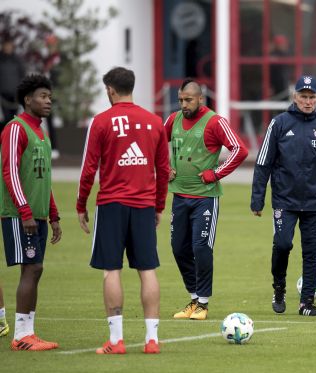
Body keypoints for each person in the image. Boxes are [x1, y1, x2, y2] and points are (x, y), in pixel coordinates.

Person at [77, 67, 170, 354]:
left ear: (110, 90)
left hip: (111, 204)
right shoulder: (154, 122)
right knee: (147, 270)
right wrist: (159, 206)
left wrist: (80, 204)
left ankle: (116, 341)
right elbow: (164, 170)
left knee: (111, 270)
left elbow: (89, 168)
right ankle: (151, 339)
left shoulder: (101, 121)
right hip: (143, 205)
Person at [251, 75, 316, 316]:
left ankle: (307, 303)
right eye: (303, 96)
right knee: (283, 244)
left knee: (312, 253)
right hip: (285, 200)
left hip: (315, 202)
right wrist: (258, 198)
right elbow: (263, 163)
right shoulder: (279, 123)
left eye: (312, 97)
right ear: (294, 97)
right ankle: (279, 287)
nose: (307, 101)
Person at [165, 78, 248, 320]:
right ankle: (193, 298)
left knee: (201, 247)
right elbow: (157, 144)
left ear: (201, 99)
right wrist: (164, 167)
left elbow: (239, 150)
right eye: (180, 99)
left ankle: (203, 302)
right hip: (179, 195)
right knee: (178, 248)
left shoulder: (215, 122)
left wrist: (216, 173)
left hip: (205, 198)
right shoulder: (173, 120)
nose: (183, 104)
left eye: (188, 99)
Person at [0, 74, 61, 350]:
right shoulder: (16, 128)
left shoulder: (42, 135)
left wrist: (54, 215)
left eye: (49, 97)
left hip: (36, 216)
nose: (48, 101)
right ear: (28, 100)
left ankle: (28, 332)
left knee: (36, 270)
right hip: (18, 214)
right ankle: (21, 336)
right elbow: (9, 171)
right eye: (43, 96)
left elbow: (43, 179)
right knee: (31, 268)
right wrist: (24, 211)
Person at [0, 36, 26, 132]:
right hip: (3, 96)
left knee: (14, 120)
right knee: (7, 120)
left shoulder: (17, 60)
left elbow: (22, 75)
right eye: (6, 45)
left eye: (9, 45)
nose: (8, 47)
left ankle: (12, 143)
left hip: (15, 95)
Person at [269, 34, 291, 100]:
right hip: (276, 85)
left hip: (283, 84)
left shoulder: (286, 55)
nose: (284, 45)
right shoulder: (275, 55)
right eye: (281, 44)